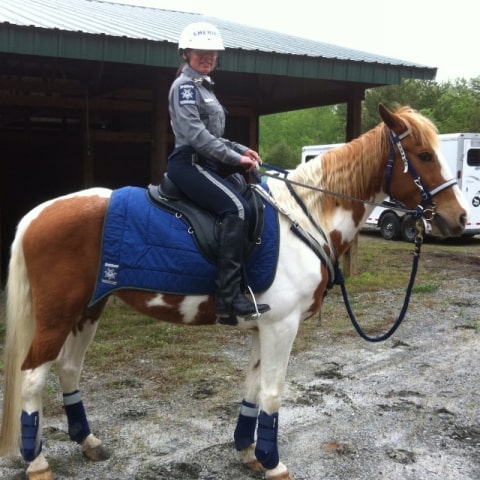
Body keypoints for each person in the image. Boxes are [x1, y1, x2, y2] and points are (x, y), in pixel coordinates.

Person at [167, 22, 270, 322]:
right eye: (201, 53)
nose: (208, 58)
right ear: (186, 54)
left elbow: (216, 136)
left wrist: (241, 150)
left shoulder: (206, 87)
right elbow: (196, 135)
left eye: (212, 53)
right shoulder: (185, 87)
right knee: (235, 209)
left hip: (207, 162)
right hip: (189, 163)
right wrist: (235, 160)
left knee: (248, 197)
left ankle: (246, 281)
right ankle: (227, 300)